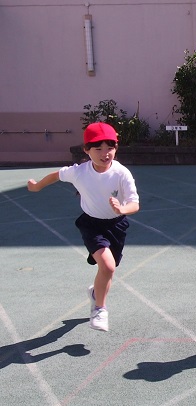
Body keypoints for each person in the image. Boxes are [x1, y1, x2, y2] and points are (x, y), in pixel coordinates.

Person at [27, 122, 139, 331]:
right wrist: (37, 186)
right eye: (98, 149)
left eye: (110, 148)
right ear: (87, 150)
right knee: (107, 266)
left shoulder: (121, 173)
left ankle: (96, 293)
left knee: (108, 271)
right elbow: (56, 175)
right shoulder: (79, 172)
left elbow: (135, 203)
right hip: (91, 225)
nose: (105, 154)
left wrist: (122, 209)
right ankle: (99, 308)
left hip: (116, 225)